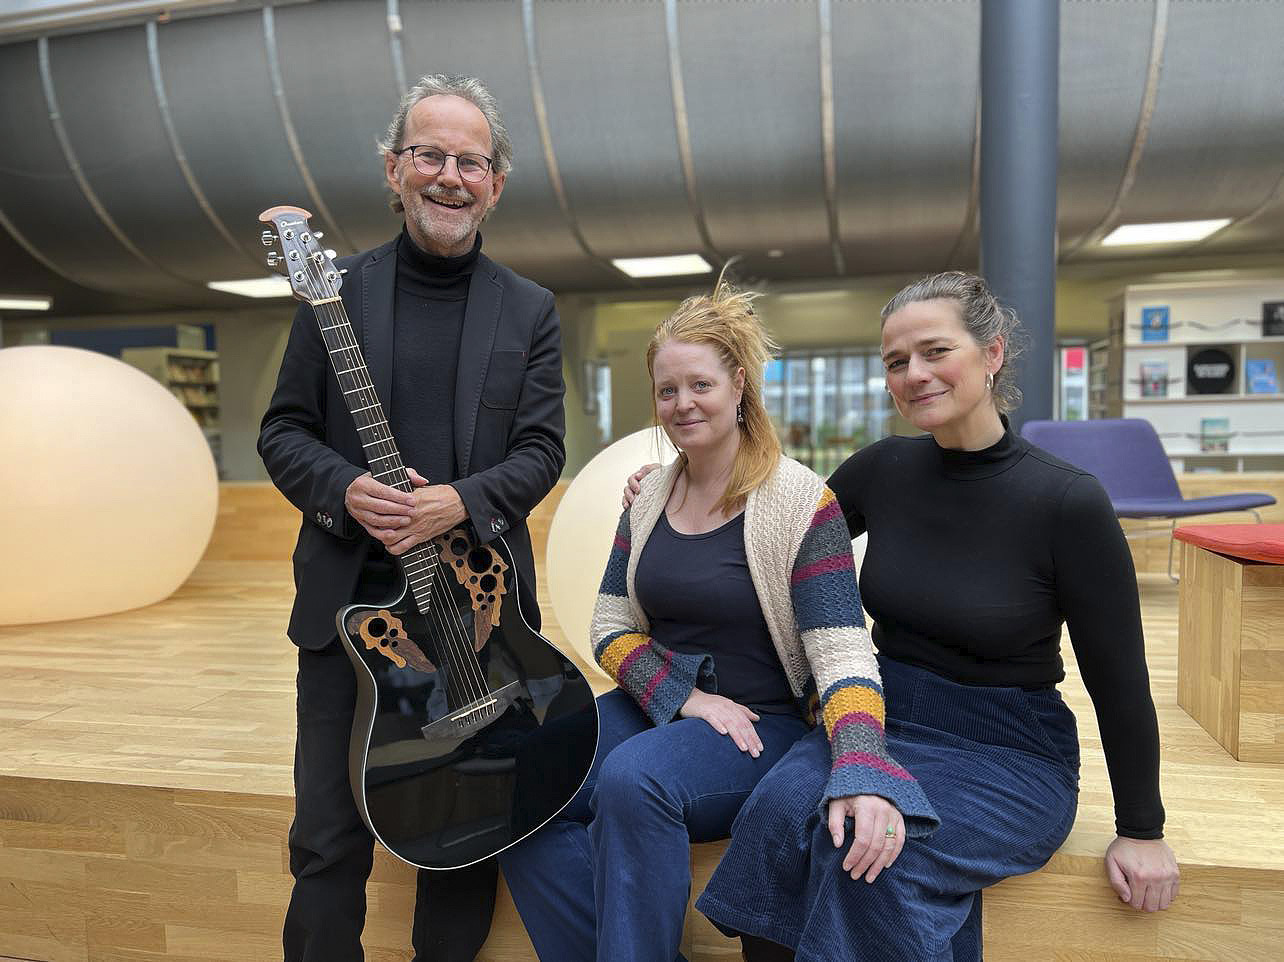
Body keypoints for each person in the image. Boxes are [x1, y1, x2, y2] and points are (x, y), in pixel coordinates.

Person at [673, 271, 1179, 960]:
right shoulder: (883, 470)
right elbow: (767, 532)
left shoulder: (1068, 503)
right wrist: (679, 486)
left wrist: (1142, 828)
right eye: (896, 362)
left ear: (992, 353)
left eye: (936, 351)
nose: (914, 374)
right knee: (777, 817)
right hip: (884, 717)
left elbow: (1120, 680)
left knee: (874, 857)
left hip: (1008, 751)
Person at [498, 280, 938, 962]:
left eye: (699, 384)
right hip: (669, 705)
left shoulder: (800, 503)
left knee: (633, 779)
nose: (682, 404)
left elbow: (844, 654)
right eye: (667, 390)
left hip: (763, 727)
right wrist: (687, 699)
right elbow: (610, 627)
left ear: (738, 383)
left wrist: (860, 765)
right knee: (522, 784)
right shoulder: (647, 499)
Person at [258, 74, 566, 962]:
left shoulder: (530, 309)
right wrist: (344, 490)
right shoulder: (333, 292)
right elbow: (283, 430)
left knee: (463, 834)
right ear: (394, 169)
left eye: (471, 162)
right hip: (347, 617)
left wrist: (461, 500)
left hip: (477, 612)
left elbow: (542, 451)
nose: (450, 176)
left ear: (496, 184)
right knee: (326, 834)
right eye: (430, 155)